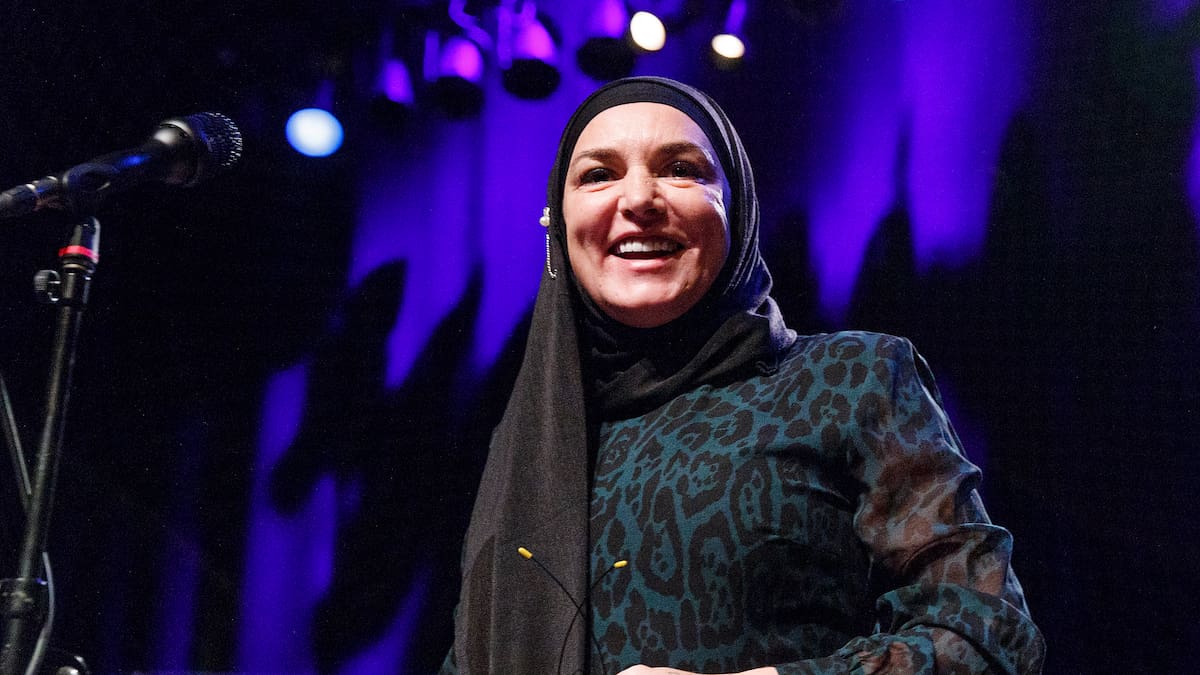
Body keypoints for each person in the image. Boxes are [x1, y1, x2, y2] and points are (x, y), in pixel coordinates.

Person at [440, 76, 1045, 675]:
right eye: (599, 175)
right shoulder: (529, 443)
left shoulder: (849, 380)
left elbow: (986, 636)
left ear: (739, 209)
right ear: (558, 222)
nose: (639, 198)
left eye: (681, 169)